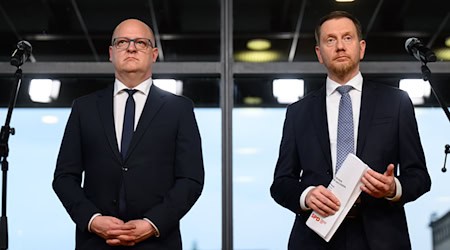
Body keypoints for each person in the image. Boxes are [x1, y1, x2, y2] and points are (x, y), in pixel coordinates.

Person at [270, 11, 431, 250]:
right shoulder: (298, 112)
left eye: (347, 38)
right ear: (319, 54)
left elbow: (419, 177)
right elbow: (281, 183)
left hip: (382, 238)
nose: (340, 46)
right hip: (315, 239)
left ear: (361, 47)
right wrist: (307, 195)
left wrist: (393, 188)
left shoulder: (396, 102)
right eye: (330, 40)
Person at [53, 18, 204, 249]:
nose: (131, 48)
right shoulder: (84, 108)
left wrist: (153, 223)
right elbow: (64, 177)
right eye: (122, 42)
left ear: (154, 54)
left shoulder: (179, 109)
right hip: (96, 241)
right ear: (111, 53)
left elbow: (191, 179)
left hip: (157, 241)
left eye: (140, 43)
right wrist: (92, 221)